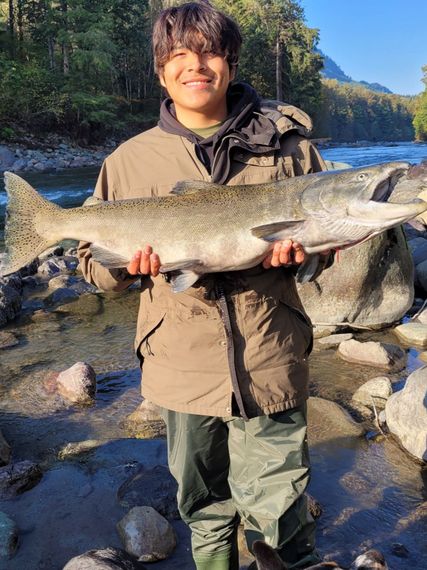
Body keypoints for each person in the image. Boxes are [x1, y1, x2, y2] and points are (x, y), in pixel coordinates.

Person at [78, 2, 333, 568]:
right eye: (180, 55)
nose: (197, 66)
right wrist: (124, 267)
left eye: (211, 52)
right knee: (205, 507)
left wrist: (305, 258)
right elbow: (92, 269)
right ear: (161, 70)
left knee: (282, 507)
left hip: (272, 359)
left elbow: (323, 251)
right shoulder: (126, 162)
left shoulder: (289, 149)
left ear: (232, 62)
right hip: (179, 364)